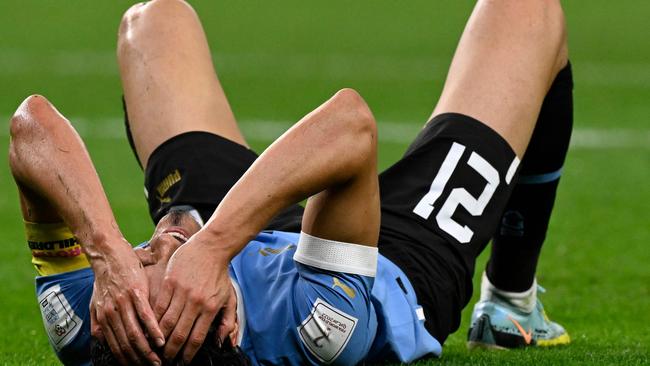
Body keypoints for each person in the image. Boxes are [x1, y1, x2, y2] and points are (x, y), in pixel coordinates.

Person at [9, 0, 573, 364]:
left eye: (140, 254)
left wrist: (108, 256)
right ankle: (510, 306)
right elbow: (350, 127)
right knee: (527, 11)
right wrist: (208, 246)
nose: (149, 243)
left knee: (153, 21)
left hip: (230, 235)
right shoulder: (319, 326)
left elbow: (29, 128)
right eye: (156, 265)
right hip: (387, 256)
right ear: (222, 318)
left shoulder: (95, 324)